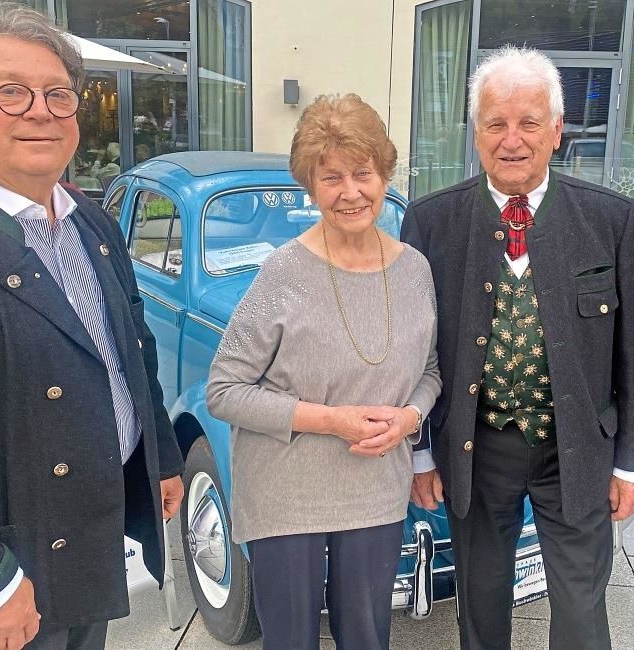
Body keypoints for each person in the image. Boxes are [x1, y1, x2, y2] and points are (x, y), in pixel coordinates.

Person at [0, 4, 184, 649]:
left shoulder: (92, 224)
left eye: (57, 94)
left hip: (82, 544)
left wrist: (159, 455)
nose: (41, 111)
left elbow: (132, 350)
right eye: (11, 92)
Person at [401, 46, 634, 649]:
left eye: (529, 123)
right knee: (480, 603)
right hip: (476, 447)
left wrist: (632, 463)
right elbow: (413, 350)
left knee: (582, 604)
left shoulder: (611, 220)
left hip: (578, 450)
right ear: (475, 133)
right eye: (496, 124)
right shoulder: (431, 221)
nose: (512, 140)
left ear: (558, 131)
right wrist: (419, 455)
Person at [205, 93, 441, 650]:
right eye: (331, 177)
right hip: (287, 494)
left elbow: (431, 369)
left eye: (362, 173)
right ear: (310, 187)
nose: (350, 192)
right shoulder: (283, 273)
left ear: (384, 174)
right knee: (290, 641)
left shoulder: (415, 269)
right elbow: (224, 391)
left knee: (366, 635)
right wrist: (332, 420)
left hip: (376, 487)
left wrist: (410, 417)